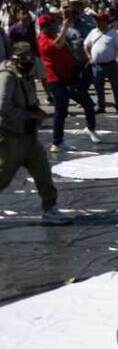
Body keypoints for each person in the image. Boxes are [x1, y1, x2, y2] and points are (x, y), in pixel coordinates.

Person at [0, 42, 71, 224]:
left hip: (29, 136)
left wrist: (36, 111)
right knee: (3, 178)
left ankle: (50, 209)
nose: (29, 62)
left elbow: (29, 99)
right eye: (24, 58)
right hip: (11, 139)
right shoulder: (7, 76)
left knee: (43, 173)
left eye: (30, 58)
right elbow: (3, 107)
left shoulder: (26, 74)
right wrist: (27, 115)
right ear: (14, 59)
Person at [37, 14, 99, 152]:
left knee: (88, 103)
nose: (55, 26)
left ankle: (90, 128)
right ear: (45, 27)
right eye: (52, 24)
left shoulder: (54, 36)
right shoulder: (43, 39)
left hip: (69, 78)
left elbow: (66, 49)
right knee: (61, 111)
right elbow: (56, 46)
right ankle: (57, 142)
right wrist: (65, 28)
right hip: (57, 80)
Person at [83, 12, 118, 114]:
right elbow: (86, 45)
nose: (98, 22)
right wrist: (89, 57)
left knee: (115, 87)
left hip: (111, 64)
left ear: (105, 21)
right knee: (98, 87)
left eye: (100, 20)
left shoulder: (113, 33)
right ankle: (101, 106)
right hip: (97, 65)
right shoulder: (93, 32)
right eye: (97, 20)